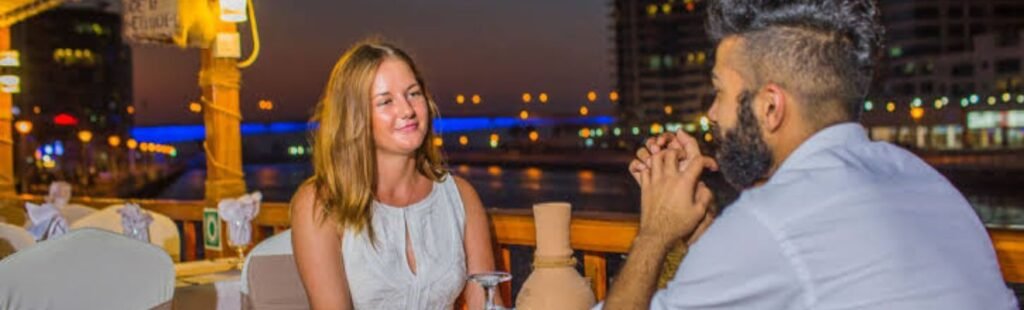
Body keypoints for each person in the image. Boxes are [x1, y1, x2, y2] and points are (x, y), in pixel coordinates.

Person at [601, 0, 1018, 309]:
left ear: (770, 107)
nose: (712, 113)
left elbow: (779, 245)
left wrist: (656, 232)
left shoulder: (769, 222)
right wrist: (703, 235)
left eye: (720, 92)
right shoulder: (920, 177)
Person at [290, 39, 497, 309]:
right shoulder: (319, 205)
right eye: (385, 101)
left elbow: (487, 303)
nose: (407, 110)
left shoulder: (461, 196)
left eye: (413, 94)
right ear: (355, 116)